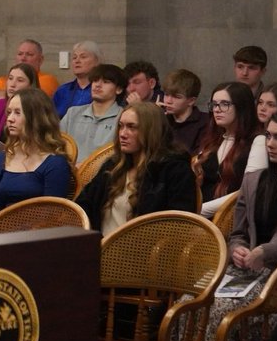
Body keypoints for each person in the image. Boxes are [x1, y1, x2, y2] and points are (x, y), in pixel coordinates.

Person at [130, 107, 277, 341]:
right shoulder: (257, 180)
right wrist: (237, 247)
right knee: (192, 298)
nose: (272, 144)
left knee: (224, 307)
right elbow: (237, 230)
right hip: (247, 268)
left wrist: (267, 251)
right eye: (269, 136)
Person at [74, 102, 198, 233]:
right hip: (99, 246)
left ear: (151, 131)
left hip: (145, 250)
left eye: (131, 127)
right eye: (121, 126)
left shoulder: (175, 170)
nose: (122, 133)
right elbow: (84, 204)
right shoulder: (114, 165)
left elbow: (179, 225)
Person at [0, 88, 71, 223]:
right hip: (0, 231)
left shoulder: (55, 164)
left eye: (17, 113)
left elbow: (51, 216)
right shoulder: (2, 159)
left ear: (36, 118)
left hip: (36, 235)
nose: (9, 119)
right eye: (9, 112)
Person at [196, 82, 267, 218]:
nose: (217, 109)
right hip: (201, 218)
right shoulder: (214, 140)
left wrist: (198, 211)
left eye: (224, 104)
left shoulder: (258, 141)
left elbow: (247, 191)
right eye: (214, 104)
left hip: (230, 220)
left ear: (242, 107)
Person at [60, 63, 126, 164]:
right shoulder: (72, 113)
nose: (98, 85)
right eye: (95, 80)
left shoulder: (123, 117)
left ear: (119, 89)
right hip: (69, 173)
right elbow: (56, 144)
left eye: (106, 82)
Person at [0, 39, 59, 112]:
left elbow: (31, 101)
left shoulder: (47, 79)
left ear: (40, 60)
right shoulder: (3, 80)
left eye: (29, 54)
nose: (23, 58)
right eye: (20, 54)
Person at [0, 62, 38, 140]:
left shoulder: (36, 109)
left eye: (20, 80)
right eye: (10, 78)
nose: (12, 84)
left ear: (31, 85)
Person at [162, 69, 208, 155]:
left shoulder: (205, 122)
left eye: (176, 97)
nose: (168, 101)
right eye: (166, 94)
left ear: (191, 101)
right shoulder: (162, 120)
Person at [53, 41, 101, 116]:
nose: (77, 61)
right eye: (74, 57)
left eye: (83, 57)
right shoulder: (62, 90)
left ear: (97, 61)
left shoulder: (100, 89)